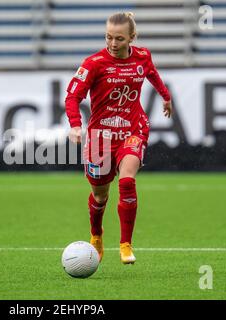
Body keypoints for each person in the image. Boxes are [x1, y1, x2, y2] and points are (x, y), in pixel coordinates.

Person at [65, 12, 172, 264]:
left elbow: (152, 74)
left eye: (119, 39)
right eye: (109, 37)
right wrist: (75, 125)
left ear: (132, 38)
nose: (113, 43)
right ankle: (96, 234)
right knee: (100, 196)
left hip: (132, 131)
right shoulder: (93, 63)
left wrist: (165, 96)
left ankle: (125, 244)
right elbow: (72, 97)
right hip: (100, 137)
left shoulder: (143, 56)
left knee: (126, 181)